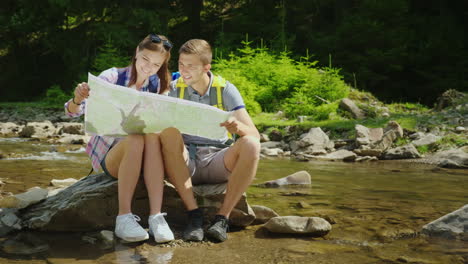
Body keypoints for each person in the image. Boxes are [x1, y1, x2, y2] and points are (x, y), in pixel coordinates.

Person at [64, 34, 175, 243]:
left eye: (156, 64)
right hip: (113, 155)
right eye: (145, 59)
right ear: (136, 53)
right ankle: (123, 217)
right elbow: (73, 112)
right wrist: (77, 99)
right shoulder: (113, 77)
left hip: (148, 158)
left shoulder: (160, 86)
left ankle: (156, 217)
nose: (148, 67)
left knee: (151, 136)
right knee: (135, 139)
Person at [159, 39, 261, 242]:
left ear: (206, 67)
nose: (184, 70)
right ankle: (193, 214)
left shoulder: (225, 89)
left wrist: (237, 127)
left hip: (218, 160)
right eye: (181, 64)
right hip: (184, 161)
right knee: (168, 133)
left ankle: (222, 218)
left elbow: (254, 134)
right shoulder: (171, 87)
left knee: (251, 144)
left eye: (191, 66)